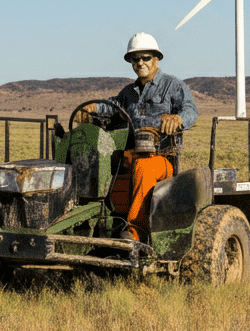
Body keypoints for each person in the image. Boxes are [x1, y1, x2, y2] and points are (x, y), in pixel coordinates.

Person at [85, 32, 198, 241]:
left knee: (144, 168)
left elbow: (190, 111)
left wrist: (178, 119)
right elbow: (112, 106)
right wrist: (92, 108)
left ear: (156, 59)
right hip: (131, 155)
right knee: (99, 166)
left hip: (162, 158)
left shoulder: (173, 86)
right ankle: (101, 226)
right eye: (135, 59)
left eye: (145, 57)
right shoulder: (128, 92)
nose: (140, 63)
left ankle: (137, 232)